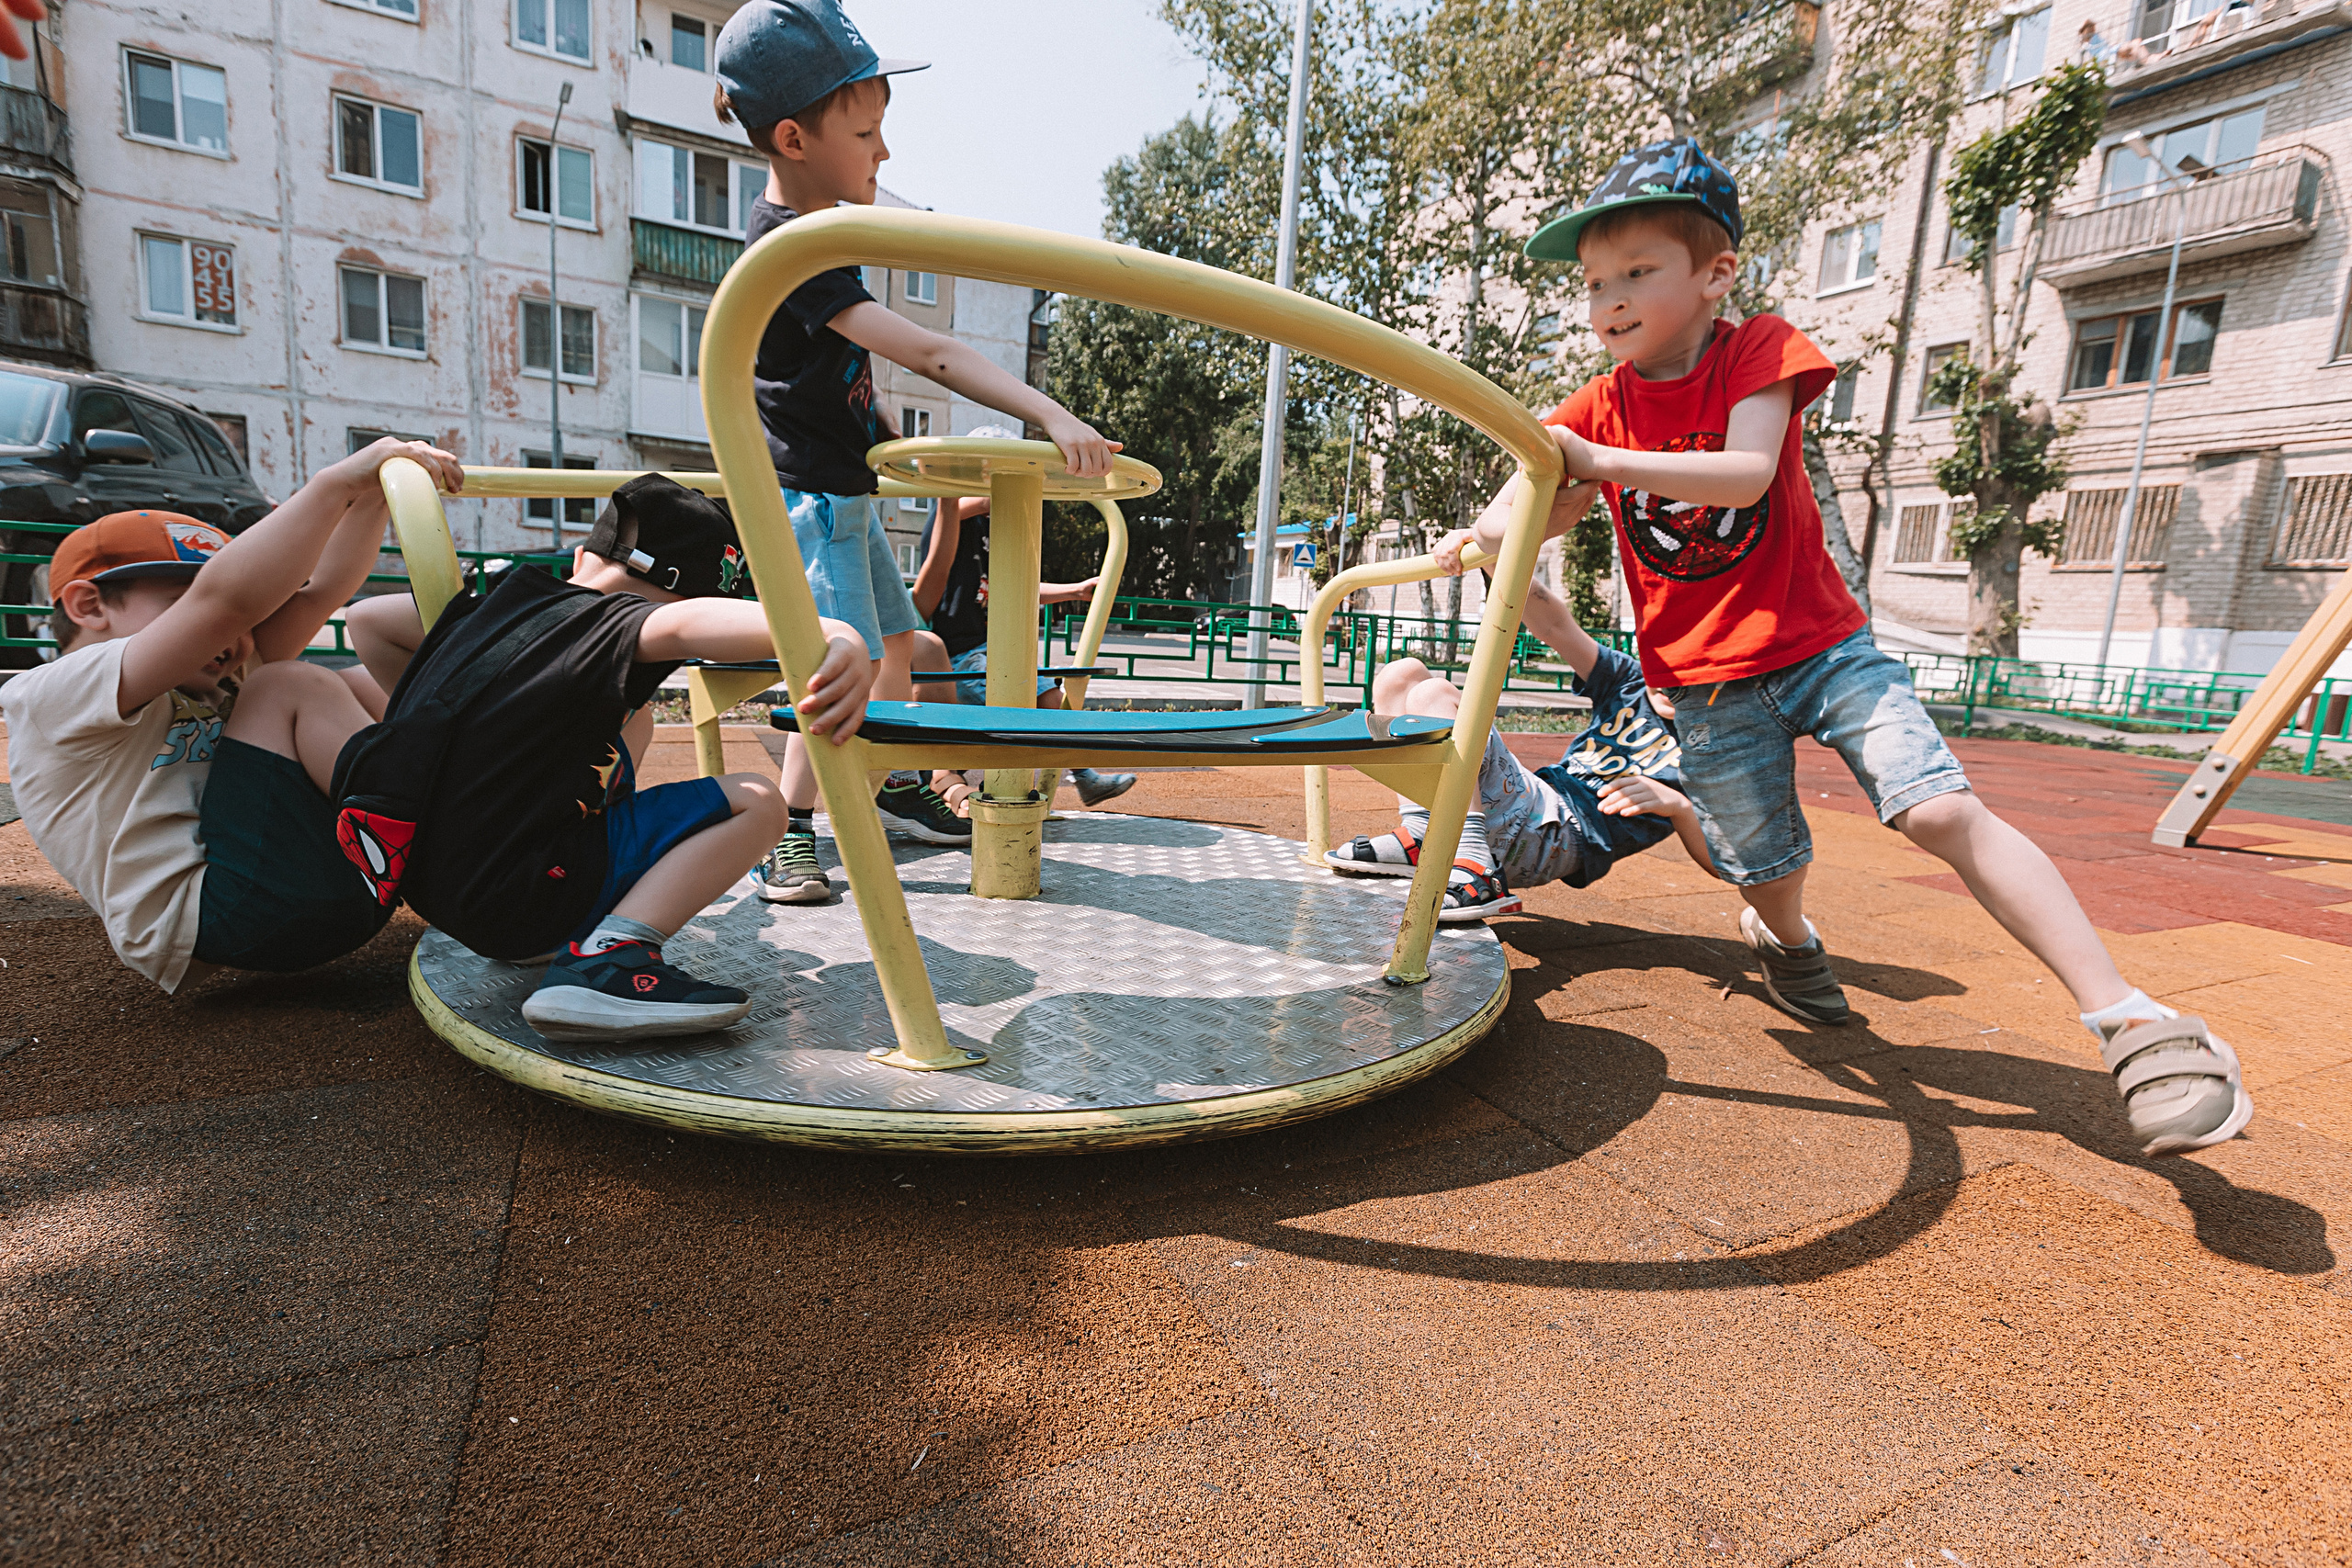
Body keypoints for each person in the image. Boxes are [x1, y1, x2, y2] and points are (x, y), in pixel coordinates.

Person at [1439, 136, 2249, 1158]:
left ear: (1715, 273)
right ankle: (1785, 937)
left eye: (1638, 271)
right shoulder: (1599, 403)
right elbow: (1521, 503)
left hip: (1819, 646)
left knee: (1938, 806)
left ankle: (2129, 1017)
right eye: (1596, 282)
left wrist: (1596, 462)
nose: (1611, 298)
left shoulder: (1756, 351)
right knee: (1761, 867)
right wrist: (1483, 533)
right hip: (1705, 686)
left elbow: (1744, 471)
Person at [710, 0, 1120, 905]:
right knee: (843, 663)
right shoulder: (790, 248)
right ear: (794, 139)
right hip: (813, 502)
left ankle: (892, 785)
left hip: (845, 494)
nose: (884, 153)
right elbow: (932, 351)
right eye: (865, 135)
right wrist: (1050, 414)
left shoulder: (820, 241)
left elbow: (839, 383)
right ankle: (792, 835)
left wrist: (894, 442)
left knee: (903, 643)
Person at [341, 474, 873, 1043]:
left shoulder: (494, 608)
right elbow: (679, 625)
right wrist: (836, 634)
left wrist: (471, 732)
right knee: (759, 803)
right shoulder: (612, 622)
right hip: (522, 896)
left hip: (429, 884)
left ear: (581, 556)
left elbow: (367, 620)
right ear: (684, 597)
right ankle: (610, 962)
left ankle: (559, 925)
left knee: (633, 719)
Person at [1, 439, 466, 995]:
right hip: (224, 910)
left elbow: (322, 591)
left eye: (246, 626)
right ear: (89, 605)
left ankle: (469, 807)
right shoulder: (53, 694)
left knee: (353, 683)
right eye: (181, 604)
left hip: (315, 883)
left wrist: (373, 495)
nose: (235, 638)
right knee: (289, 684)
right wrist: (336, 483)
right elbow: (226, 604)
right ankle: (463, 845)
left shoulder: (217, 676)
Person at [1327, 543, 1710, 920]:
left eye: (1691, 673)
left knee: (1433, 695)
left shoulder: (1718, 742)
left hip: (1565, 834)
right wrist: (1497, 549)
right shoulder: (1630, 683)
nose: (1669, 680)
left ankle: (1476, 862)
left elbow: (1729, 862)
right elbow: (1553, 624)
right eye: (1660, 660)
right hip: (1540, 795)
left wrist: (1680, 808)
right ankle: (1421, 832)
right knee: (1400, 675)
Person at [908, 428, 1136, 813]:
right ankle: (985, 794)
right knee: (1012, 708)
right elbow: (954, 520)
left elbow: (1013, 589)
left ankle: (1079, 776)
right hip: (956, 655)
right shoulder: (951, 518)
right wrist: (993, 489)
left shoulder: (993, 530)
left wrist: (1074, 590)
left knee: (1049, 696)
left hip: (987, 650)